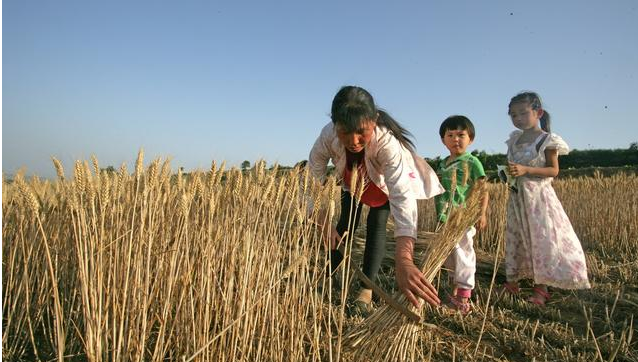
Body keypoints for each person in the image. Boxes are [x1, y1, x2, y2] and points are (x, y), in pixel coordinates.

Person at [308, 85, 445, 310]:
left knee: (376, 226)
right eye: (344, 132)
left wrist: (404, 259)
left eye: (362, 131)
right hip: (351, 181)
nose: (353, 140)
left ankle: (366, 289)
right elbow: (313, 173)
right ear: (335, 124)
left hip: (380, 187)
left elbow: (402, 197)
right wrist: (321, 218)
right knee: (344, 225)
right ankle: (328, 275)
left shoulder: (388, 144)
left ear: (374, 120)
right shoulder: (327, 135)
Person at [502, 91, 591, 305]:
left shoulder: (547, 140)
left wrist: (524, 169)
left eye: (523, 113)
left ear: (538, 112)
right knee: (517, 238)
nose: (518, 118)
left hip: (539, 200)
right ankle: (513, 282)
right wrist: (508, 174)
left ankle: (541, 288)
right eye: (513, 115)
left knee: (541, 240)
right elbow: (513, 167)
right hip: (518, 198)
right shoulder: (514, 140)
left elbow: (553, 170)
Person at [434, 116, 489, 315]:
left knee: (463, 254)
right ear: (443, 140)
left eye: (461, 135)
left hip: (464, 218)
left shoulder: (472, 162)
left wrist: (481, 214)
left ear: (470, 139)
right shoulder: (442, 164)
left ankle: (464, 298)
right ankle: (453, 291)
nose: (455, 139)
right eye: (450, 135)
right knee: (449, 257)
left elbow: (483, 190)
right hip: (445, 218)